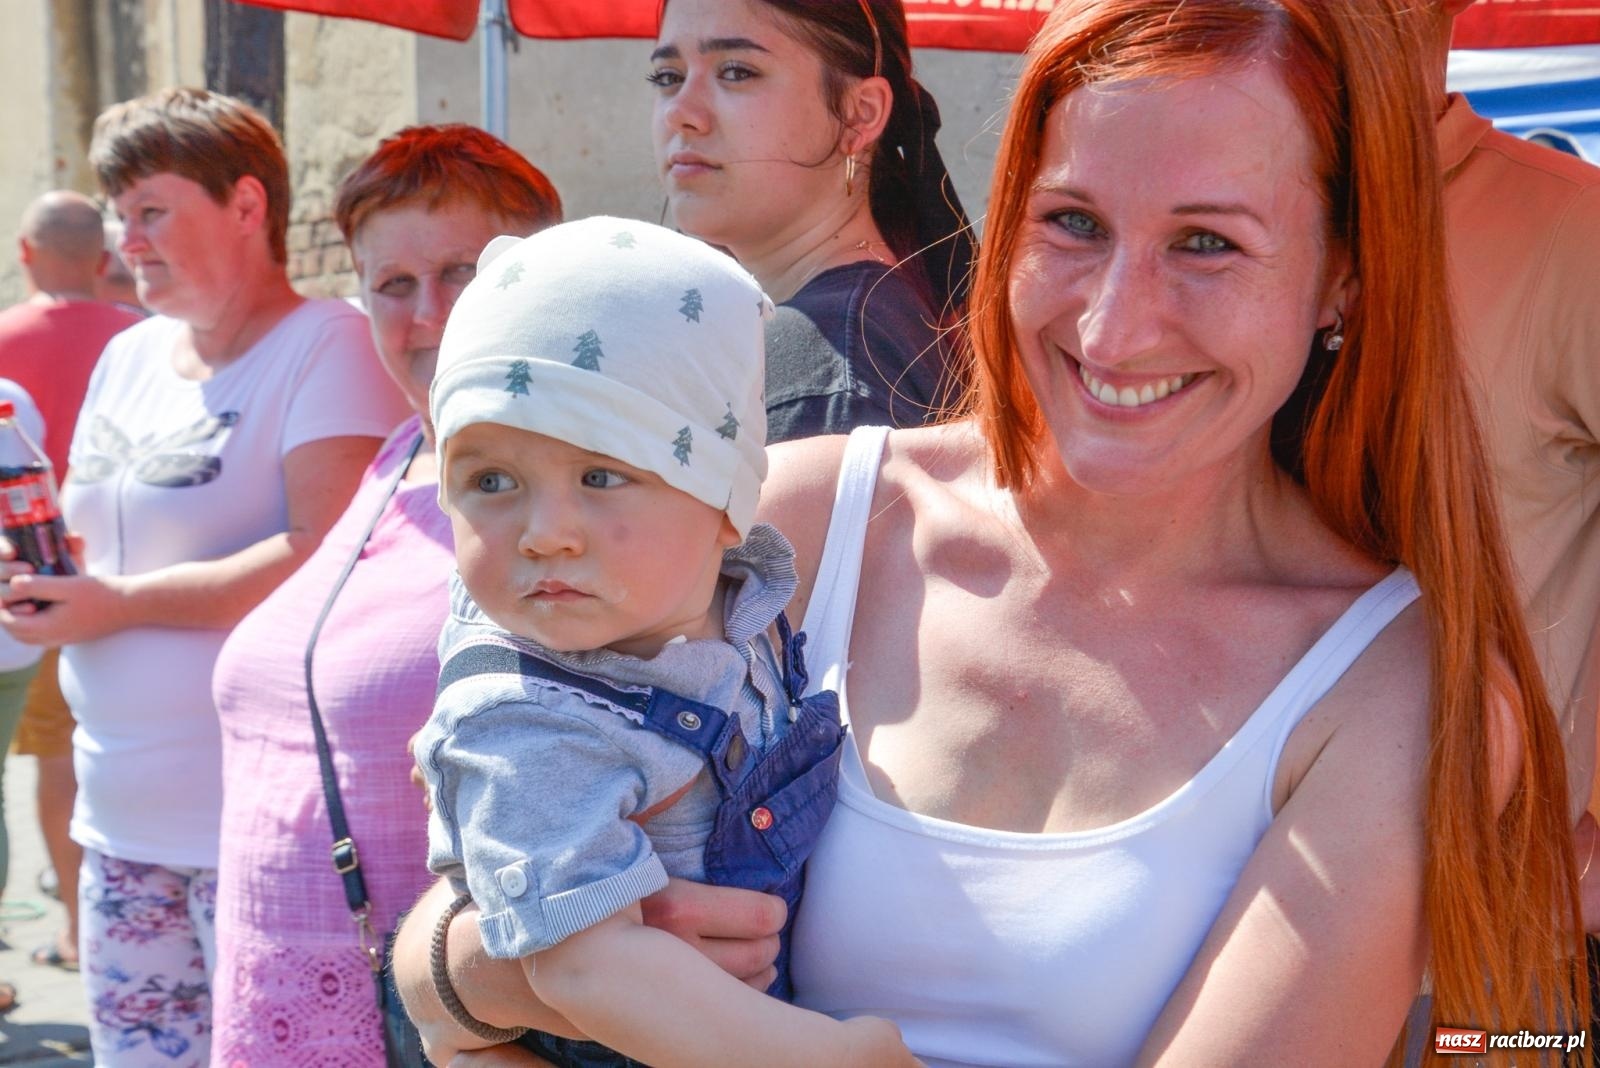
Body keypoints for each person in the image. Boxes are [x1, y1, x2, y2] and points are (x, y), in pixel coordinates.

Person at [397, 1, 1581, 1063]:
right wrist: (524, 965)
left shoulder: (1402, 694)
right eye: (1071, 223)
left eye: (1207, 243)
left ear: (1344, 281)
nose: (1115, 327)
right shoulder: (798, 521)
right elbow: (440, 939)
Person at [415, 216, 911, 1068]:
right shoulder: (526, 718)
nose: (545, 533)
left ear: (725, 500)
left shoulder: (742, 603)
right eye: (491, 480)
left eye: (603, 475)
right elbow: (586, 967)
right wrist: (831, 1058)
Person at [0, 87, 408, 1066]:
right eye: (116, 213)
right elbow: (102, 533)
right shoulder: (127, 354)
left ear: (246, 205)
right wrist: (40, 569)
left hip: (261, 838)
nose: (122, 240)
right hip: (118, 819)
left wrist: (116, 605)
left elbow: (325, 547)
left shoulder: (330, 344)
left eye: (151, 210)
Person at [207, 123, 562, 1067]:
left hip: (436, 1010)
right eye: (392, 286)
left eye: (460, 275)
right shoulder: (399, 455)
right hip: (286, 988)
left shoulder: (562, 488)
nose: (427, 315)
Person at [651, 0, 975, 442]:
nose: (679, 111)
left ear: (859, 113)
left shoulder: (827, 379)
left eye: (737, 71)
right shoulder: (870, 325)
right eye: (668, 77)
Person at [0, 190, 145, 975]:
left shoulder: (2, 341)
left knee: (55, 757)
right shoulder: (148, 340)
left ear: (24, 253)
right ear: (103, 261)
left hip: (28, 591)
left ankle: (78, 931)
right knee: (113, 750)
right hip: (141, 585)